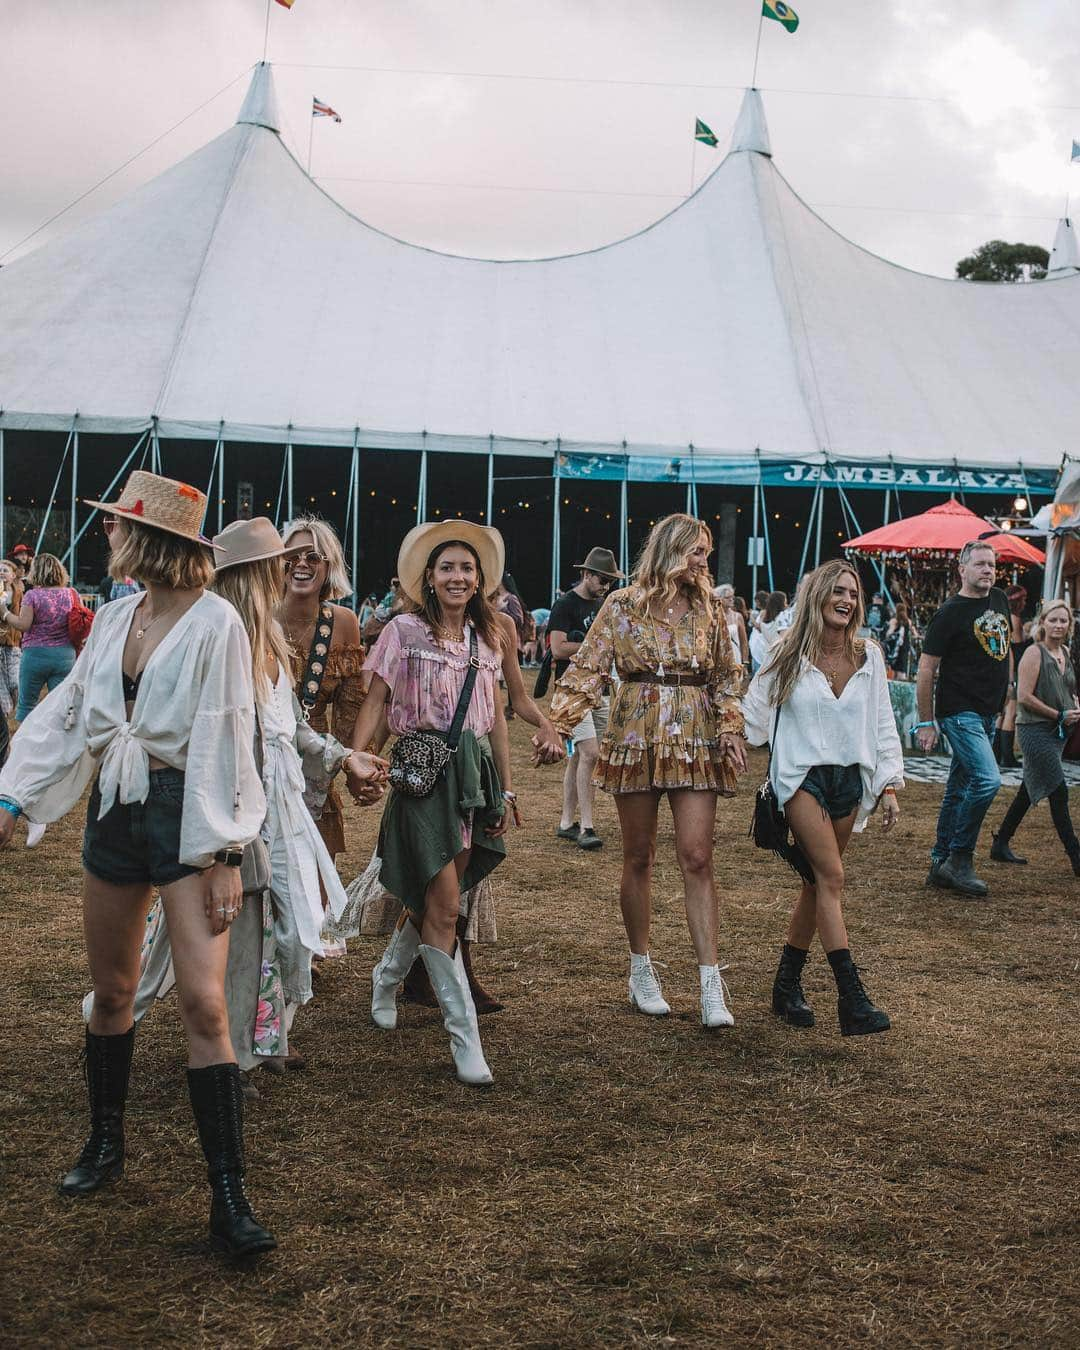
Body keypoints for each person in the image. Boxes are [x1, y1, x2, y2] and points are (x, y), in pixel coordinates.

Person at [0, 470, 275, 1257]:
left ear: (147, 536)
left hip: (188, 812)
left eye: (117, 523)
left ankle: (229, 1196)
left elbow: (229, 733)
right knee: (114, 991)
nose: (106, 533)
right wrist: (15, 793)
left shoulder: (216, 622)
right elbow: (68, 713)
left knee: (205, 1006)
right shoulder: (117, 616)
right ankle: (104, 1143)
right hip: (116, 814)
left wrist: (225, 852)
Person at [548, 514, 747, 1028]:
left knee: (698, 856)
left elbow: (728, 673)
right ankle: (641, 970)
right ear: (670, 551)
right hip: (635, 730)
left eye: (705, 552)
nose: (703, 562)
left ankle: (709, 984)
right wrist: (557, 725)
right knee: (639, 855)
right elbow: (589, 666)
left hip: (695, 733)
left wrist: (729, 726)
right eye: (696, 552)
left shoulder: (711, 609)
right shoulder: (621, 605)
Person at [345, 521, 514, 1086]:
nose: (458, 576)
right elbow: (376, 700)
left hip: (474, 776)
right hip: (422, 774)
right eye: (447, 567)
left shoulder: (489, 638)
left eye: (467, 568)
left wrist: (506, 788)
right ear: (430, 577)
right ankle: (466, 1040)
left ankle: (387, 975)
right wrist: (359, 758)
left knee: (440, 900)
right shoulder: (403, 631)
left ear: (480, 578)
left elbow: (497, 723)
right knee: (443, 907)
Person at [743, 560, 902, 1036]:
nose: (846, 599)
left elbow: (882, 723)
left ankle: (786, 985)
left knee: (816, 885)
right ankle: (851, 999)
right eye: (836, 590)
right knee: (832, 877)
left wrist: (889, 785)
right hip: (802, 778)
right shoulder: (787, 652)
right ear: (816, 596)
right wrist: (730, 736)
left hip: (849, 783)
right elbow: (752, 716)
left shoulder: (869, 656)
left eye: (852, 592)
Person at [915, 540, 1012, 898]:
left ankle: (940, 863)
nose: (988, 570)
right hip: (959, 713)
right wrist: (926, 722)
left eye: (992, 565)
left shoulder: (999, 598)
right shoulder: (949, 612)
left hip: (989, 712)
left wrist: (1009, 691)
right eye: (981, 565)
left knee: (958, 790)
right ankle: (960, 857)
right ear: (963, 570)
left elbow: (1004, 648)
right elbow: (926, 669)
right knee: (988, 781)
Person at [278, 517, 366, 906]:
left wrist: (354, 765)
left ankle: (308, 953)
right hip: (260, 751)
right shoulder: (256, 613)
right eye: (292, 555)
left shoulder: (343, 623)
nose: (302, 563)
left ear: (329, 566)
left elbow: (350, 709)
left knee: (316, 861)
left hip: (314, 760)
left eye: (314, 556)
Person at [990, 600, 1080, 874]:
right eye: (1053, 620)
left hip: (1058, 732)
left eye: (1063, 620)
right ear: (1042, 622)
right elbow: (1025, 697)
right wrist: (1058, 714)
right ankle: (1076, 857)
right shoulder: (1033, 653)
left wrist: (1074, 705)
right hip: (1035, 730)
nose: (1058, 625)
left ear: (1069, 625)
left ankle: (1001, 842)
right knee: (1058, 790)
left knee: (1028, 790)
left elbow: (1068, 687)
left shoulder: (1064, 651)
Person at [549, 547, 625, 851]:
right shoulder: (565, 604)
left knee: (582, 756)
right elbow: (557, 648)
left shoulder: (605, 604)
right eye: (601, 579)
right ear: (586, 574)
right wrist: (593, 649)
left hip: (600, 691)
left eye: (610, 581)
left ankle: (567, 822)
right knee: (590, 753)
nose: (605, 586)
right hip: (572, 692)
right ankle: (587, 826)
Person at [2, 552, 77, 723]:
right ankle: (58, 746)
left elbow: (23, 625)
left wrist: (5, 613)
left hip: (35, 656)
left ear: (36, 572)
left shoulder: (33, 596)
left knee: (27, 706)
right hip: (65, 656)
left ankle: (28, 746)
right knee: (61, 707)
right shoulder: (72, 594)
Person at [994, 585, 1028, 768]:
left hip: (1007, 669)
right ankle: (1007, 756)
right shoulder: (1014, 620)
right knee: (1011, 712)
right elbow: (1016, 648)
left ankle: (997, 751)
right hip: (1014, 670)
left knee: (1003, 711)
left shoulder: (1004, 619)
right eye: (1023, 599)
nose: (1025, 603)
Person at [0, 558, 23, 716]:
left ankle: (19, 710)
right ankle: (6, 715)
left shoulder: (19, 594)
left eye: (5, 570)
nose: (1, 573)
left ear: (13, 575)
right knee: (1, 684)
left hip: (13, 643)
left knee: (15, 680)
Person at [749, 590, 787, 675]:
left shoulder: (767, 618)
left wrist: (751, 617)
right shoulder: (782, 617)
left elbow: (759, 627)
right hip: (776, 652)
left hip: (765, 648)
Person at [714, 584, 749, 669]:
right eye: (727, 597)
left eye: (732, 597)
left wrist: (745, 662)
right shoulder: (713, 615)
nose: (731, 599)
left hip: (735, 656)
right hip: (717, 657)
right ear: (719, 598)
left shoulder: (737, 616)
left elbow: (744, 642)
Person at [883, 602, 915, 679]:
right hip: (905, 646)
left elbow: (889, 633)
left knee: (893, 668)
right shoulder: (908, 621)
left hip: (895, 648)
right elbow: (914, 633)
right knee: (902, 668)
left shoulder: (894, 621)